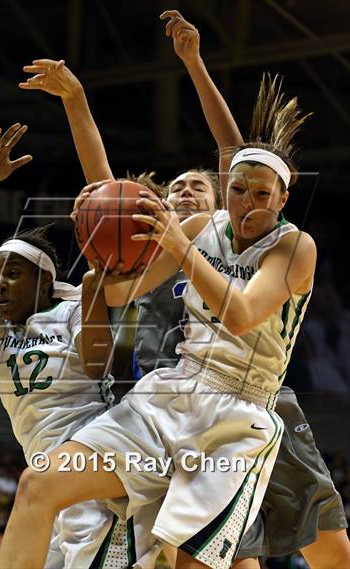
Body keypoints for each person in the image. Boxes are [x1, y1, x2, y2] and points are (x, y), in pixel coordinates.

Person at [20, 11, 349, 569]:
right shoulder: (146, 245)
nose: (186, 193)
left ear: (221, 196)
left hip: (249, 401)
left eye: (199, 186)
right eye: (173, 191)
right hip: (171, 401)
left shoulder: (228, 231)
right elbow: (102, 182)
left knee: (328, 547)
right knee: (207, 555)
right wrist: (76, 101)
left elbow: (237, 153)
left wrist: (194, 63)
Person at [0, 123, 153, 569]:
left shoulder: (73, 306)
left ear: (45, 281)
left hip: (91, 458)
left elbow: (97, 365)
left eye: (12, 273)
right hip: (47, 475)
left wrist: (94, 288)